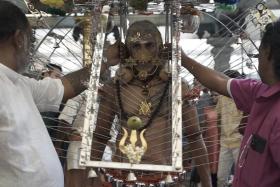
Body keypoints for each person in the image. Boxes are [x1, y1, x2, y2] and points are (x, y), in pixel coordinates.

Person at [90, 20, 212, 187]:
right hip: (122, 175)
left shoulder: (176, 86)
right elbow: (99, 136)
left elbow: (195, 137)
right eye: (136, 46)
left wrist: (207, 184)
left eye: (149, 45)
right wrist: (89, 178)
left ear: (160, 47)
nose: (143, 53)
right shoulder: (115, 86)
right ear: (127, 50)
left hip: (163, 176)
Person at [0, 1, 92, 187]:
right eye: (31, 40)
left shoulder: (19, 83)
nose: (30, 49)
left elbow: (63, 87)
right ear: (19, 39)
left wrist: (103, 62)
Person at [181, 19, 280, 187]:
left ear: (268, 51)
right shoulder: (258, 91)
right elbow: (221, 81)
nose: (257, 60)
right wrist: (182, 59)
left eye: (258, 54)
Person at [215, 70, 244, 187]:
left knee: (242, 176)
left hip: (239, 141)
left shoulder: (242, 97)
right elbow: (218, 116)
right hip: (225, 142)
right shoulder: (222, 97)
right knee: (221, 178)